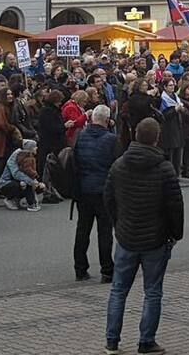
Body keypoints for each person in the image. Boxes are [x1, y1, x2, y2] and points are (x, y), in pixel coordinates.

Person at [103, 117, 184, 355]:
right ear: (156, 138)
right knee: (152, 291)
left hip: (127, 235)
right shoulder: (164, 168)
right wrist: (175, 233)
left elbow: (108, 198)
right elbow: (175, 206)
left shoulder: (119, 165)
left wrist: (118, 223)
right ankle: (146, 341)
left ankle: (111, 340)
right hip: (155, 238)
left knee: (118, 290)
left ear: (136, 135)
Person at [75, 104, 119, 282]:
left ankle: (80, 268)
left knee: (82, 229)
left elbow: (75, 162)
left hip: (83, 189)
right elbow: (117, 167)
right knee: (105, 231)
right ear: (107, 121)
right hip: (103, 191)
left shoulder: (81, 137)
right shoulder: (111, 140)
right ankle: (107, 270)